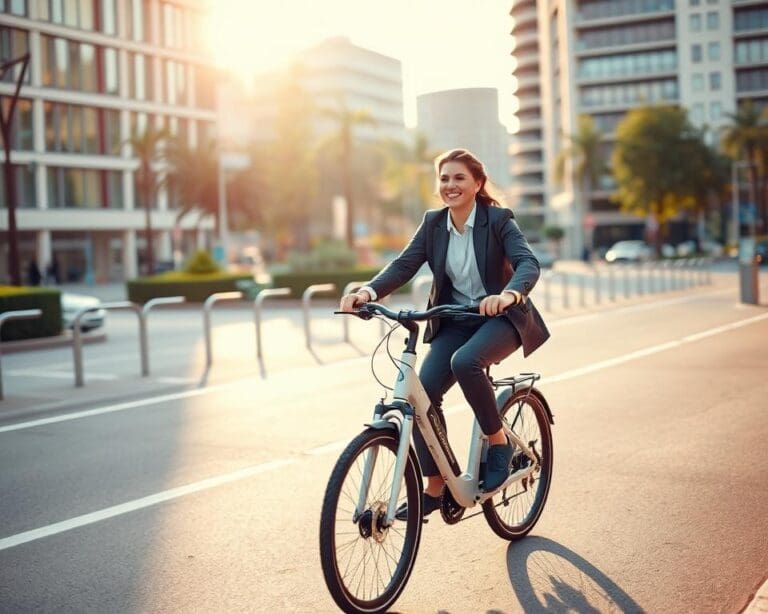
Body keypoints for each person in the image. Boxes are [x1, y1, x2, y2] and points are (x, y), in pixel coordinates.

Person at [339, 148, 550, 519]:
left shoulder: (498, 220)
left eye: (459, 178)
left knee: (466, 361)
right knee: (421, 398)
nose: (450, 185)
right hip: (455, 318)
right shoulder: (433, 223)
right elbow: (404, 263)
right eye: (444, 178)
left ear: (477, 184)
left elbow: (527, 263)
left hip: (502, 318)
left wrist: (508, 294)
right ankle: (436, 485)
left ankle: (498, 443)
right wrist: (367, 292)